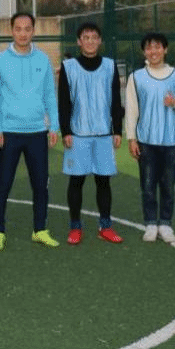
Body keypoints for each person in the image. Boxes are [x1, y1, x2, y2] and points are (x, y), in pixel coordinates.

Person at [0, 12, 60, 251]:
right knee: (3, 184)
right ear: (11, 31)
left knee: (40, 184)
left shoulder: (43, 59)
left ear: (33, 31)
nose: (22, 33)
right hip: (8, 132)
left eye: (27, 29)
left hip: (37, 132)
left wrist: (54, 125)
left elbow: (49, 94)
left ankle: (40, 230)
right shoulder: (0, 60)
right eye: (18, 29)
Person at [125, 32, 175, 243]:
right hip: (146, 141)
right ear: (144, 52)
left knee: (168, 185)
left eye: (157, 47)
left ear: (165, 49)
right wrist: (132, 138)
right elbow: (131, 109)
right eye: (149, 48)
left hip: (171, 141)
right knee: (148, 186)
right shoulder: (136, 77)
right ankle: (150, 223)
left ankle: (165, 224)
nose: (153, 51)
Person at [57, 22, 125, 245]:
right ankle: (75, 226)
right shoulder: (68, 67)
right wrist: (66, 131)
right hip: (78, 134)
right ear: (79, 41)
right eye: (86, 37)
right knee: (76, 181)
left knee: (103, 182)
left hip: (104, 134)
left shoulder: (110, 66)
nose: (90, 41)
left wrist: (117, 130)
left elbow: (116, 99)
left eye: (94, 37)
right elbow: (63, 101)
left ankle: (105, 226)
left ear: (100, 41)